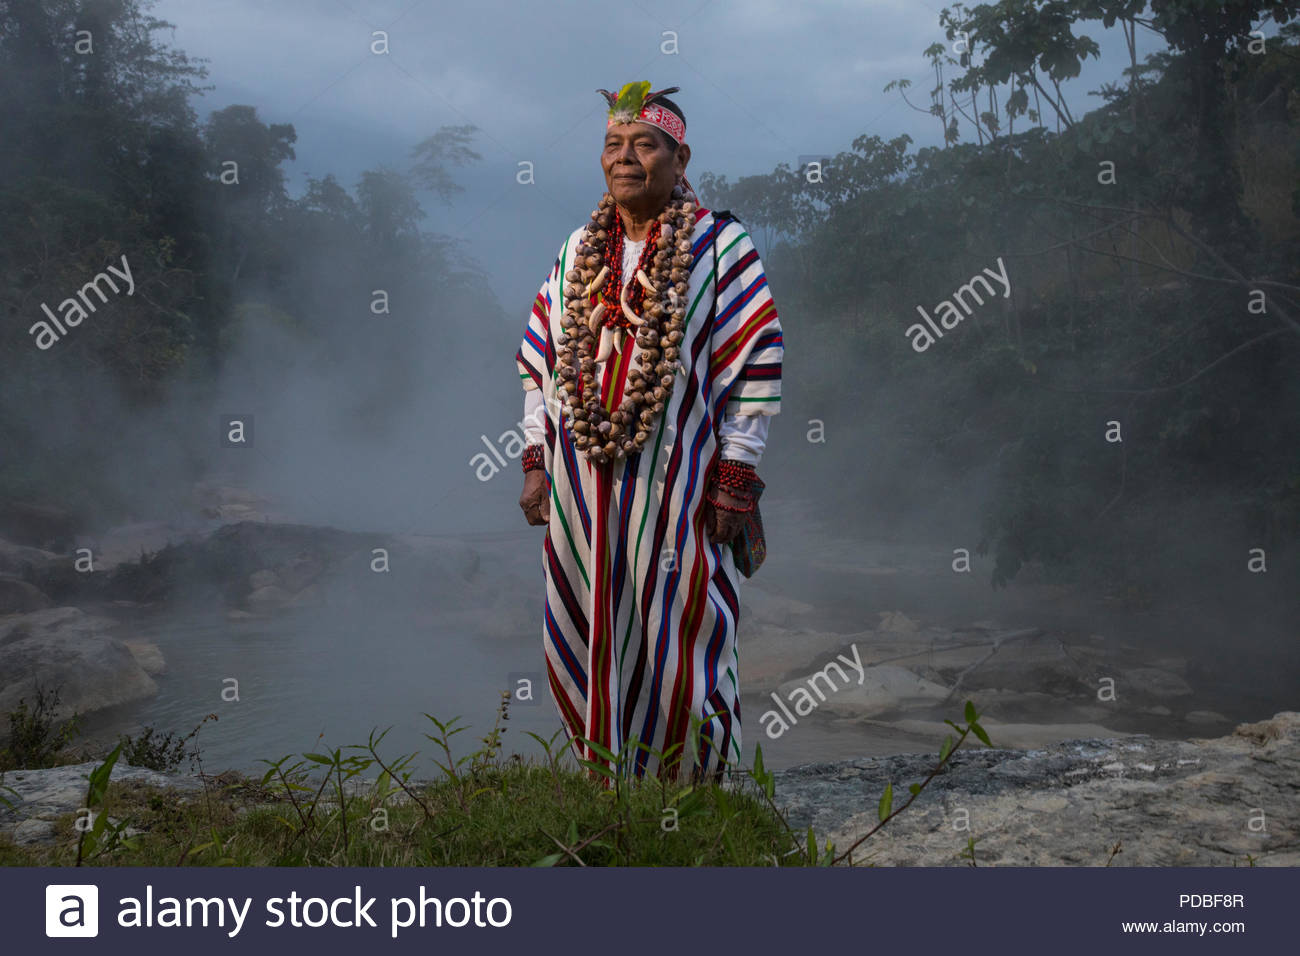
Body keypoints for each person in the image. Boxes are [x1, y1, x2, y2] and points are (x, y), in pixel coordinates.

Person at [515, 81, 783, 781]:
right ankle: (607, 785)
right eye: (613, 144)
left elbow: (751, 364)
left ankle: (697, 794)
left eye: (644, 144)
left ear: (680, 156)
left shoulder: (723, 248)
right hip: (581, 490)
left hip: (677, 485)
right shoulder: (578, 250)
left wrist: (735, 476)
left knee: (686, 631)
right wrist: (536, 459)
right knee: (585, 627)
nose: (624, 157)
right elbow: (539, 363)